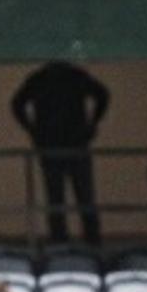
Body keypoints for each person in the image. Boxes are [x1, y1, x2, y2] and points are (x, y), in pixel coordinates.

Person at [11, 61, 110, 245]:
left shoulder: (45, 77)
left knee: (68, 197)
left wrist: (34, 131)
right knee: (71, 197)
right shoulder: (65, 75)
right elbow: (17, 104)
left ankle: (72, 242)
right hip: (63, 145)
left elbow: (102, 95)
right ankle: (81, 242)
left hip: (62, 145)